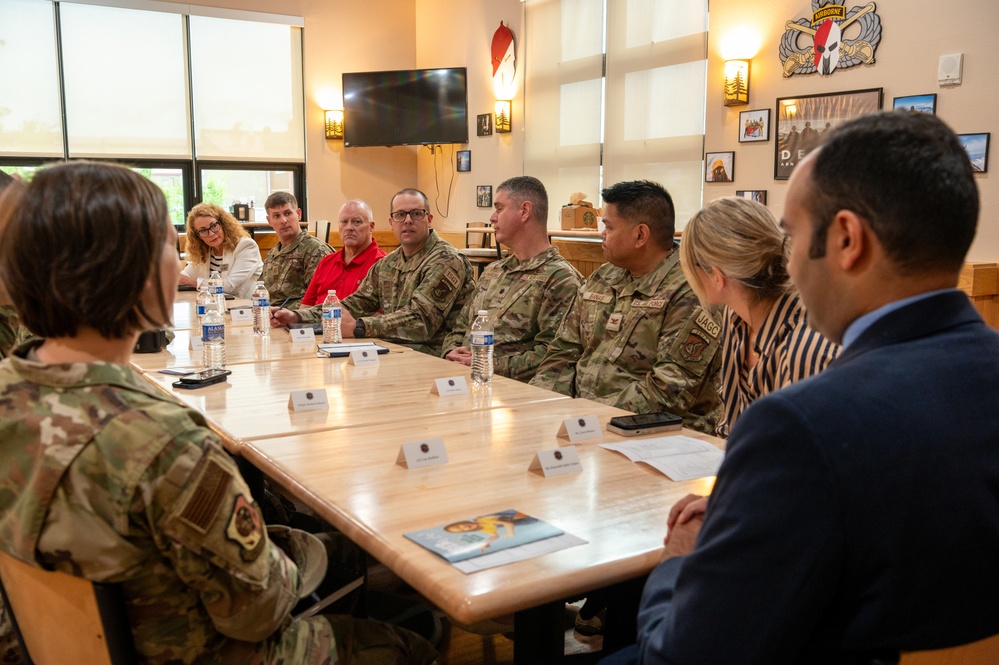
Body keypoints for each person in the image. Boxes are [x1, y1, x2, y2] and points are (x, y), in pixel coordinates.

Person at [0, 162, 437, 665]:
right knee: (410, 639)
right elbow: (259, 611)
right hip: (202, 651)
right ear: (132, 273)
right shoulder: (164, 445)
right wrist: (297, 556)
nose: (183, 265)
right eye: (170, 245)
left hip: (46, 645)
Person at [606, 112, 999, 664]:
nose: (781, 260)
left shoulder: (805, 421)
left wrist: (677, 560)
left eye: (790, 236)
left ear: (846, 240)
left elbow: (681, 654)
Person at [530, 180, 723, 435]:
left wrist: (588, 417)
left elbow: (669, 390)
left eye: (608, 226)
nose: (602, 234)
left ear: (640, 235)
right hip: (584, 425)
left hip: (655, 435)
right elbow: (563, 351)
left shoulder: (690, 291)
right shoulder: (604, 277)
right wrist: (542, 407)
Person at [681, 196, 839, 438]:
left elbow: (803, 459)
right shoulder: (735, 316)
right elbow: (732, 431)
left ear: (716, 276)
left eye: (692, 266)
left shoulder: (805, 346)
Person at [272, 189, 473, 356]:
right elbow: (355, 302)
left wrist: (359, 327)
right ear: (392, 222)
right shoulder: (387, 264)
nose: (408, 221)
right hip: (393, 350)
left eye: (416, 214)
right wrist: (296, 316)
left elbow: (420, 321)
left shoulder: (446, 259)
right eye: (400, 215)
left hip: (434, 355)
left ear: (429, 220)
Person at [441, 176, 582, 382]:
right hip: (464, 379)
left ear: (525, 211)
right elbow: (460, 326)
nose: (492, 217)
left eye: (499, 209)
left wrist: (486, 364)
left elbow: (552, 354)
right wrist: (450, 351)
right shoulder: (493, 272)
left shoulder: (560, 279)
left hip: (512, 389)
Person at [301, 199, 386, 306]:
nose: (349, 228)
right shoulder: (326, 262)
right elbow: (306, 307)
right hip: (316, 321)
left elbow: (382, 316)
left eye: (357, 222)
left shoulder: (382, 264)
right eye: (344, 222)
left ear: (371, 227)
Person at [260, 191, 332, 309]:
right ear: (269, 221)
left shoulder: (316, 250)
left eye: (288, 213)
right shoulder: (272, 254)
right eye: (276, 216)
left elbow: (321, 299)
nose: (283, 220)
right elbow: (263, 292)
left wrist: (282, 312)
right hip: (271, 317)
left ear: (298, 214)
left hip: (299, 321)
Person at [178, 202, 263, 298]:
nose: (211, 233)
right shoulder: (205, 250)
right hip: (213, 306)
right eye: (203, 230)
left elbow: (230, 286)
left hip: (243, 308)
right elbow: (185, 275)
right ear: (198, 236)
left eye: (214, 226)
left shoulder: (246, 246)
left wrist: (191, 281)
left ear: (223, 224)